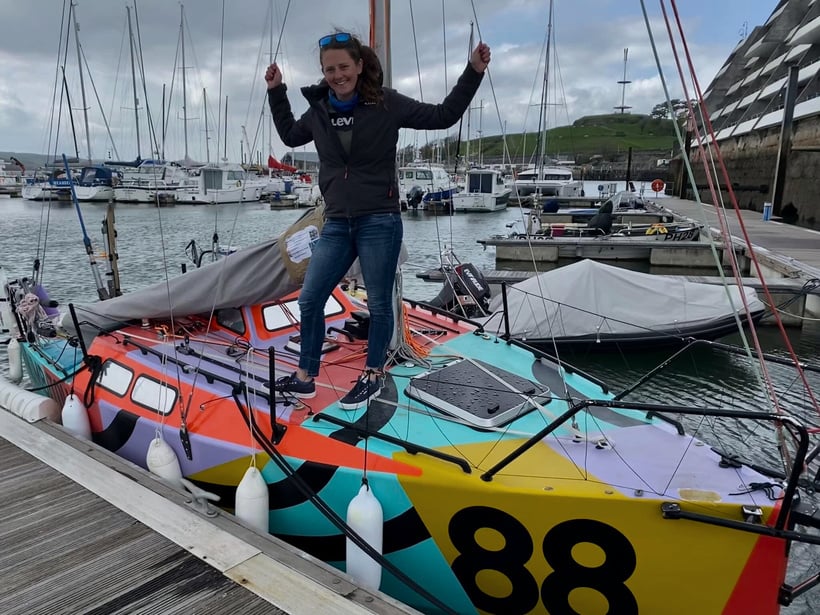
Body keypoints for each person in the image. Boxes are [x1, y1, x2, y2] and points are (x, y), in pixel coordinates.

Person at [264, 31, 491, 409]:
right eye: (329, 69)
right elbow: (289, 134)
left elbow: (444, 115)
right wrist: (276, 90)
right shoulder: (319, 111)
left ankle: (373, 374)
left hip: (379, 222)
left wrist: (474, 71)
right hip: (336, 223)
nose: (337, 75)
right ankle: (305, 377)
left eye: (343, 67)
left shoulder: (387, 104)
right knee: (310, 299)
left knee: (381, 304)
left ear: (359, 66)